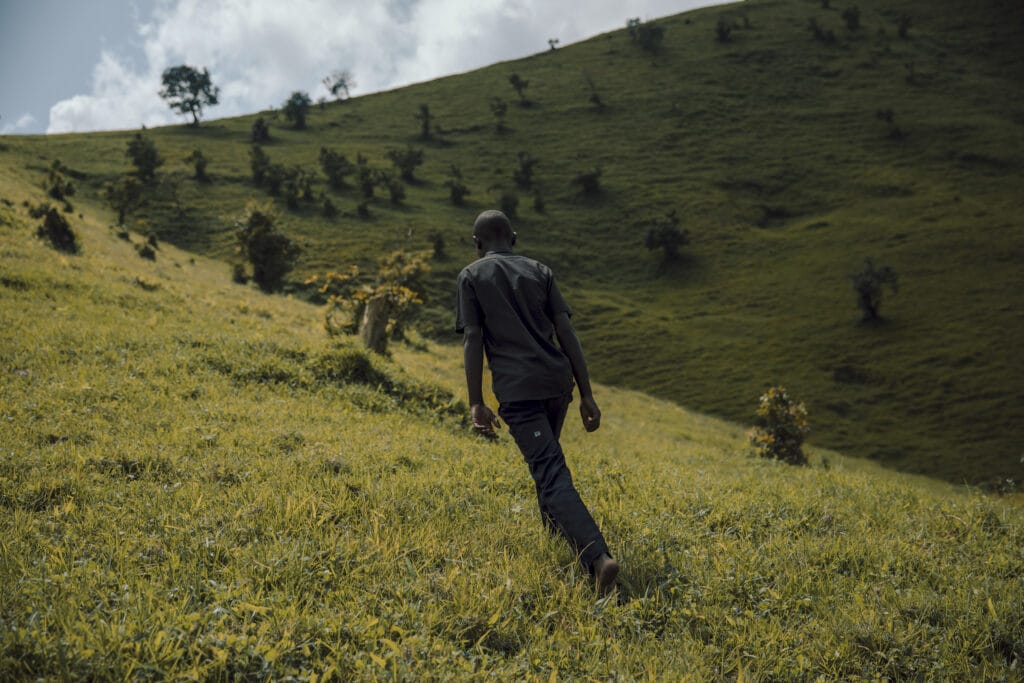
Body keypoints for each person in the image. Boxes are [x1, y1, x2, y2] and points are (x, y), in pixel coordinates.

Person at [455, 209, 619, 594]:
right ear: (513, 237)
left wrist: (475, 402)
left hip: (519, 390)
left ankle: (598, 559)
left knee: (548, 469)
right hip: (557, 383)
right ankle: (559, 537)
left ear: (476, 244)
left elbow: (473, 339)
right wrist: (587, 393)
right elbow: (566, 330)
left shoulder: (471, 277)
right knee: (546, 462)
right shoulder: (540, 271)